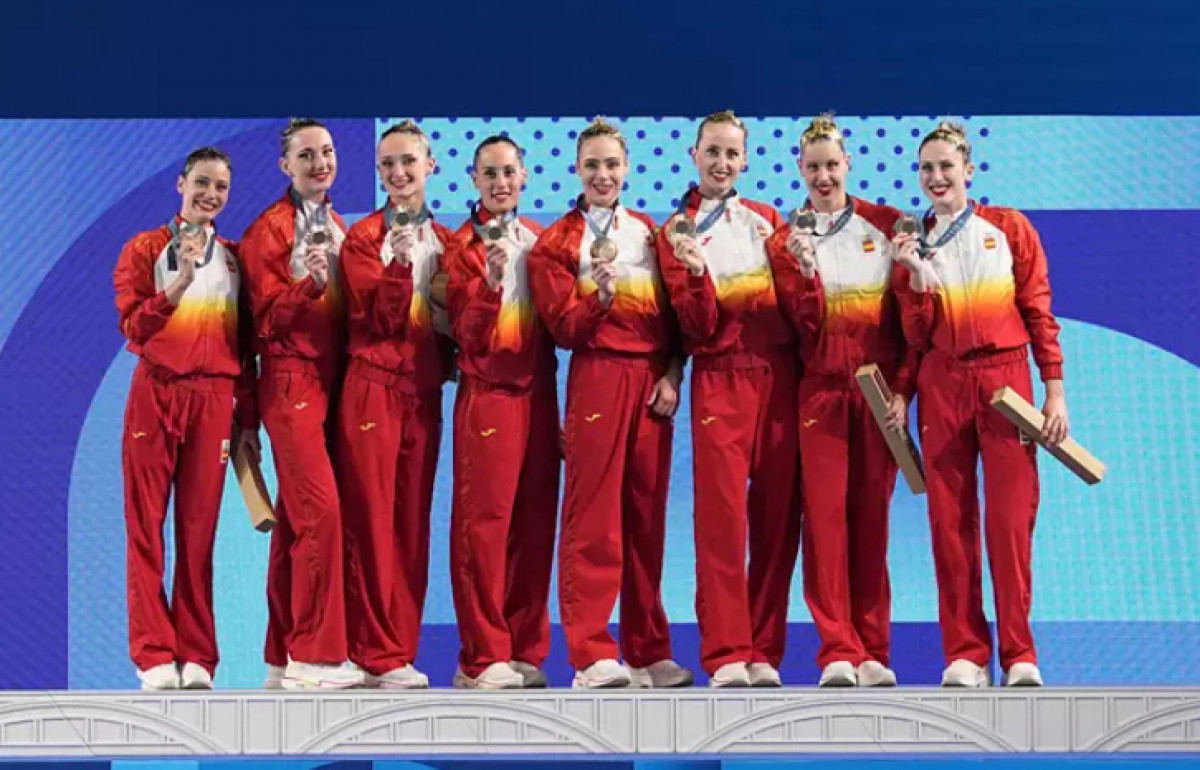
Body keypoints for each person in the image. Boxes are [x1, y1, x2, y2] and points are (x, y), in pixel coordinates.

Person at [894, 121, 1068, 688]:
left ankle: (1019, 654)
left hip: (1005, 383)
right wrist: (916, 277)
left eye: (946, 166)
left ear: (968, 170)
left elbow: (1038, 310)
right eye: (926, 168)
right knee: (950, 524)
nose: (936, 176)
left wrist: (1054, 388)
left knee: (1010, 522)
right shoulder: (910, 242)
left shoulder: (1009, 227)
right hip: (941, 382)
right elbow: (913, 336)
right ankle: (965, 654)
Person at [528, 118, 693, 689]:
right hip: (597, 374)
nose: (602, 175)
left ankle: (648, 651)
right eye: (592, 165)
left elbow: (677, 320)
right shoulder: (556, 243)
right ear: (576, 169)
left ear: (627, 169)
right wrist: (598, 297)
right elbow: (563, 330)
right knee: (593, 517)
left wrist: (673, 374)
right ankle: (591, 652)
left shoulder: (650, 233)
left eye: (612, 164)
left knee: (646, 518)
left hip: (651, 384)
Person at [765, 114, 917, 688]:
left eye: (832, 165)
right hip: (821, 393)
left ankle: (872, 648)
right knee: (825, 523)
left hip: (877, 393)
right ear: (799, 170)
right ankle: (836, 649)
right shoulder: (785, 241)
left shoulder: (887, 225)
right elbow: (798, 329)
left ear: (848, 164)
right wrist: (804, 273)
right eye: (813, 168)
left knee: (871, 521)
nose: (823, 177)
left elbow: (911, 323)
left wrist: (903, 389)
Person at [656, 110, 802, 688]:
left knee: (777, 519)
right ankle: (725, 652)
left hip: (780, 377)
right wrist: (694, 274)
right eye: (711, 152)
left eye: (731, 154)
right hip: (720, 378)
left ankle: (763, 650)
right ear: (694, 156)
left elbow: (798, 307)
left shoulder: (769, 220)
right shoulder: (677, 232)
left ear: (744, 160)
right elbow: (694, 328)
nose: (721, 163)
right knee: (722, 522)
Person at [113, 147, 258, 690]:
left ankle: (198, 654)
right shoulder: (144, 248)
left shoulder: (236, 260)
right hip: (156, 393)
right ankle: (153, 652)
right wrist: (177, 285)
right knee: (146, 527)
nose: (210, 195)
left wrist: (249, 421)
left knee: (199, 533)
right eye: (202, 182)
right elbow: (133, 328)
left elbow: (246, 346)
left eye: (221, 187)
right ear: (181, 184)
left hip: (215, 401)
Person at [240, 118, 359, 690]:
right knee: (321, 515)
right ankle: (315, 656)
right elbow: (263, 322)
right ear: (285, 166)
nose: (320, 163)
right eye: (306, 155)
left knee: (295, 522)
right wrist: (307, 285)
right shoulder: (269, 229)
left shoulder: (338, 225)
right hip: (291, 383)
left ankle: (280, 655)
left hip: (333, 384)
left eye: (327, 152)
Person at [337, 120, 456, 689]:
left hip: (423, 395)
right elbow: (381, 321)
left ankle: (399, 650)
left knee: (411, 526)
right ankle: (373, 652)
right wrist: (400, 265)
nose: (399, 173)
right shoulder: (363, 238)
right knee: (372, 523)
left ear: (431, 165)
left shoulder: (451, 242)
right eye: (388, 164)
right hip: (373, 388)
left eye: (409, 161)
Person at [445, 135, 559, 689]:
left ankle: (524, 648)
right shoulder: (459, 248)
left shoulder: (541, 241)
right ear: (473, 180)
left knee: (534, 527)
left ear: (525, 176)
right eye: (489, 173)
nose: (500, 183)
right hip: (488, 394)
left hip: (539, 395)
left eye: (508, 172)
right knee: (483, 530)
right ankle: (482, 656)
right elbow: (466, 338)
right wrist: (488, 288)